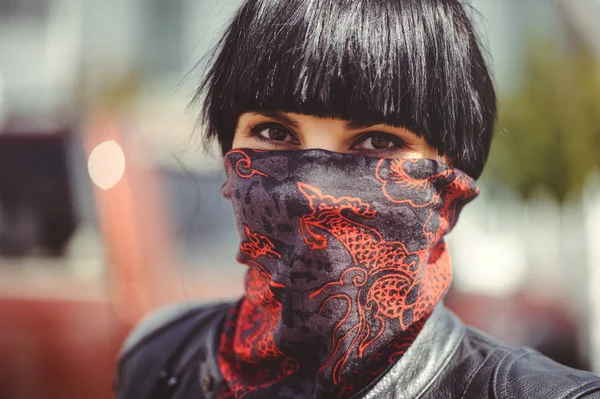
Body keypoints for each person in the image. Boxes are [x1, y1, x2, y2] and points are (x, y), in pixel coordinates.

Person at [114, 0, 600, 398]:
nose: (313, 189)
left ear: (450, 181)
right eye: (273, 131)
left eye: (378, 142)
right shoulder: (159, 361)